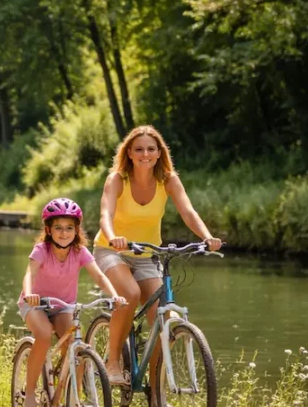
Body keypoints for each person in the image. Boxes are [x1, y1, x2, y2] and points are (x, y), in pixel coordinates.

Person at [95, 125, 222, 393]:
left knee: (164, 320)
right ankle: (113, 362)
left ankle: (156, 390)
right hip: (112, 250)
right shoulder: (117, 179)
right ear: (129, 153)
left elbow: (188, 212)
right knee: (129, 294)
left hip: (147, 254)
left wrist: (207, 237)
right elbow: (106, 213)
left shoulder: (168, 180)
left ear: (159, 152)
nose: (145, 154)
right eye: (139, 149)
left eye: (151, 149)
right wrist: (113, 236)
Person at [19, 198, 125, 407]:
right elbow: (30, 274)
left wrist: (114, 295)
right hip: (36, 304)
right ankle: (29, 393)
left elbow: (99, 276)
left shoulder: (80, 252)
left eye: (69, 228)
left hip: (64, 307)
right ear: (48, 230)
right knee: (44, 336)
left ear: (77, 230)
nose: (64, 233)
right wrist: (29, 294)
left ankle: (71, 403)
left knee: (77, 347)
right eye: (58, 227)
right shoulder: (41, 250)